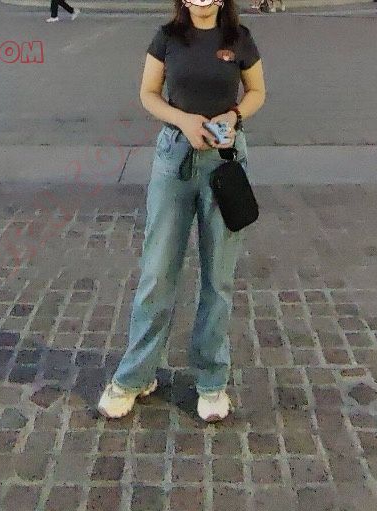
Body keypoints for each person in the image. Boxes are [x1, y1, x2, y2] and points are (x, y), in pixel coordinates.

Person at [97, 0, 265, 423]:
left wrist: (234, 115)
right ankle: (135, 375)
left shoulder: (239, 39)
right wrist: (184, 120)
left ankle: (211, 380)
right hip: (175, 157)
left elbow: (257, 92)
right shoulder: (167, 37)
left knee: (218, 278)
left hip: (225, 161)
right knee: (157, 272)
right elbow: (148, 94)